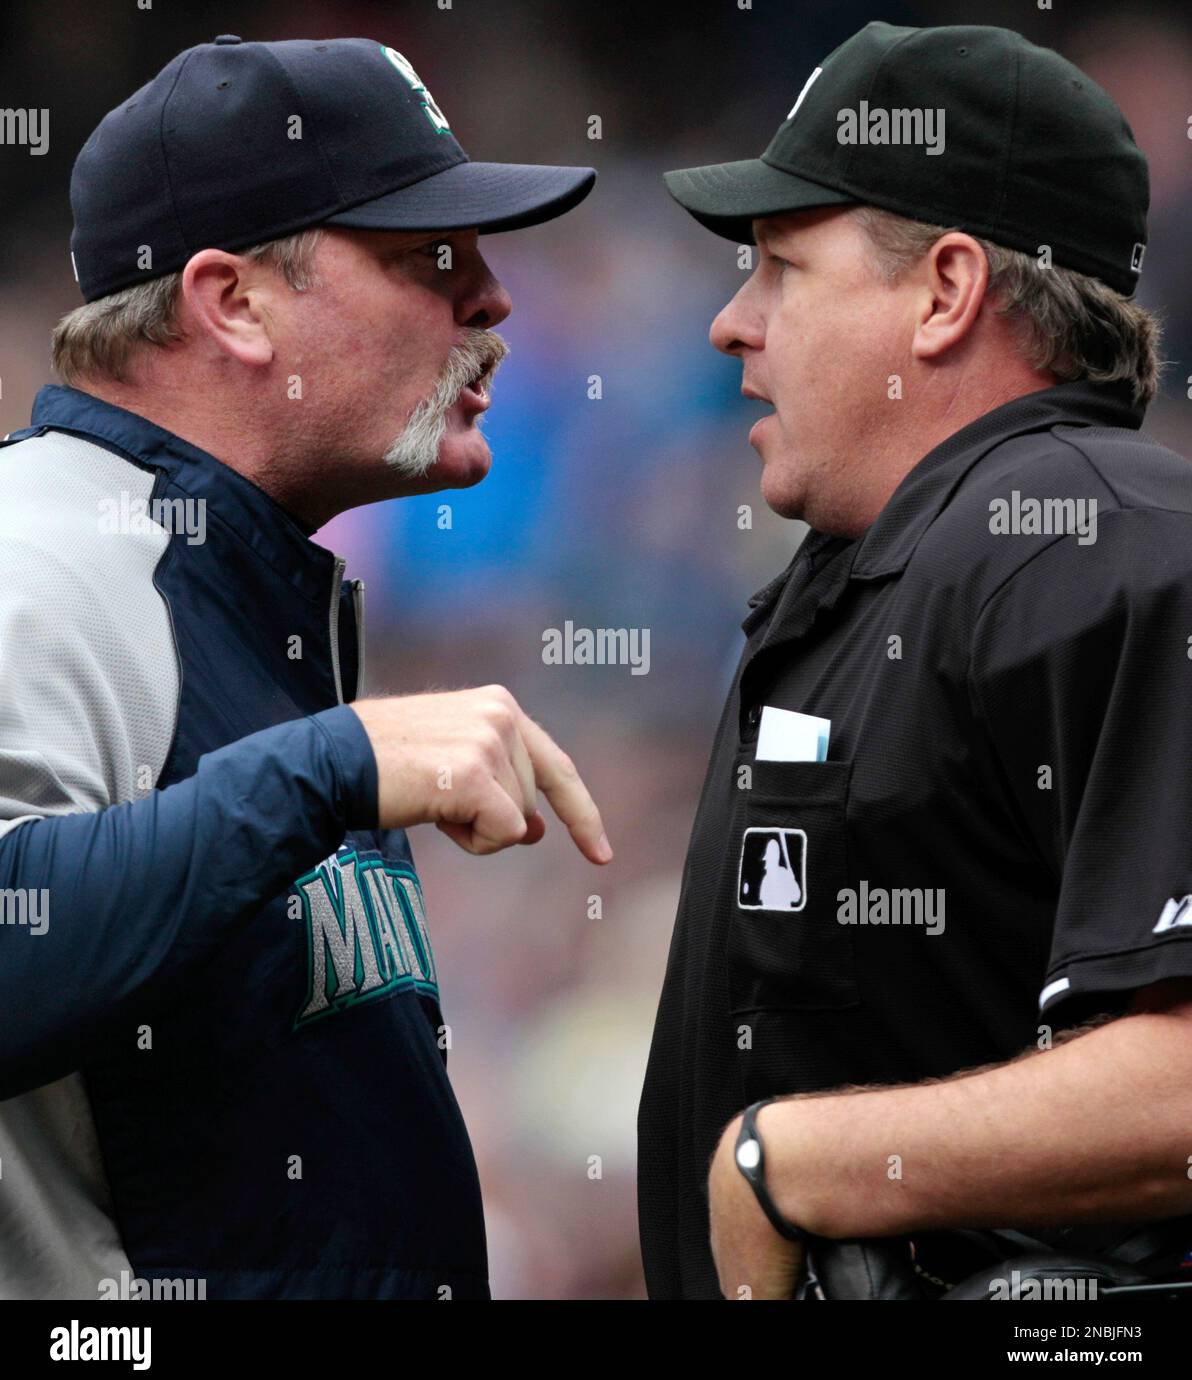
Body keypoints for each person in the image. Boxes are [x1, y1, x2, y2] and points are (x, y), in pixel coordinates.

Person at [0, 34, 610, 1300]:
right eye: (429, 256)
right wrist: (328, 764)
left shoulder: (240, 577)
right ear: (233, 302)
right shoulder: (40, 559)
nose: (492, 297)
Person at [638, 20, 1192, 1300]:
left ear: (946, 291)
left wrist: (797, 1161)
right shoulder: (896, 563)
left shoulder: (1097, 541)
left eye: (781, 267)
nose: (730, 323)